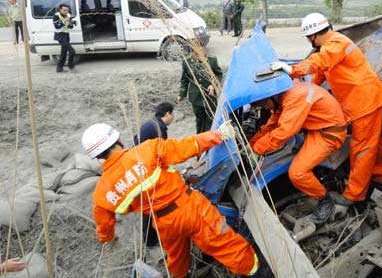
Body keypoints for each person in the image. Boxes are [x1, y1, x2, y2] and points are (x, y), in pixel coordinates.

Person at [81, 122, 259, 278]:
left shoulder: (103, 190)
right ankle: (254, 271)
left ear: (97, 156)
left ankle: (181, 275)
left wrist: (108, 238)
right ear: (117, 140)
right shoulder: (146, 150)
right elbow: (186, 147)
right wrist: (218, 135)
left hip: (164, 222)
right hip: (190, 207)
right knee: (225, 244)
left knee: (177, 258)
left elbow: (103, 222)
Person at [270, 13, 382, 207]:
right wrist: (295, 87)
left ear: (312, 37)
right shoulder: (330, 47)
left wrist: (292, 70)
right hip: (363, 100)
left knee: (363, 148)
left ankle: (354, 196)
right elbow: (318, 77)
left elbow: (319, 62)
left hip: (365, 101)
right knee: (374, 143)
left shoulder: (335, 43)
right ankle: (377, 177)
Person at [250, 81, 348, 224]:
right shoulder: (283, 95)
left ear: (271, 96)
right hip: (317, 129)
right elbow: (272, 124)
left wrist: (258, 149)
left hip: (329, 133)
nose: (265, 108)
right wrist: (251, 144)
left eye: (264, 104)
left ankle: (325, 201)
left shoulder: (295, 98)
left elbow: (284, 132)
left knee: (297, 173)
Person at [134, 101, 175, 247]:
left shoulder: (151, 123)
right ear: (168, 113)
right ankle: (150, 239)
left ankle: (149, 236)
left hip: (139, 162)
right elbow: (163, 152)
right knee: (152, 205)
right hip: (146, 168)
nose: (173, 117)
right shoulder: (159, 128)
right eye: (172, 114)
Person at [177, 46, 223, 133]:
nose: (199, 57)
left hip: (210, 96)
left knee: (211, 117)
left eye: (201, 54)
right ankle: (200, 136)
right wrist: (181, 94)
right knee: (199, 118)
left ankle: (210, 135)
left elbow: (219, 75)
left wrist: (213, 85)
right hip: (196, 97)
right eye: (196, 55)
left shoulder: (212, 60)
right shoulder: (187, 62)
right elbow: (184, 79)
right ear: (192, 53)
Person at [52, 3, 76, 73]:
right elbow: (56, 26)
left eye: (67, 10)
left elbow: (70, 26)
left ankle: (59, 68)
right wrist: (64, 21)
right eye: (64, 10)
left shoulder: (68, 15)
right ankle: (70, 65)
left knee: (63, 53)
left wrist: (72, 23)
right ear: (60, 10)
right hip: (60, 36)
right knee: (72, 51)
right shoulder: (56, 16)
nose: (66, 12)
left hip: (66, 35)